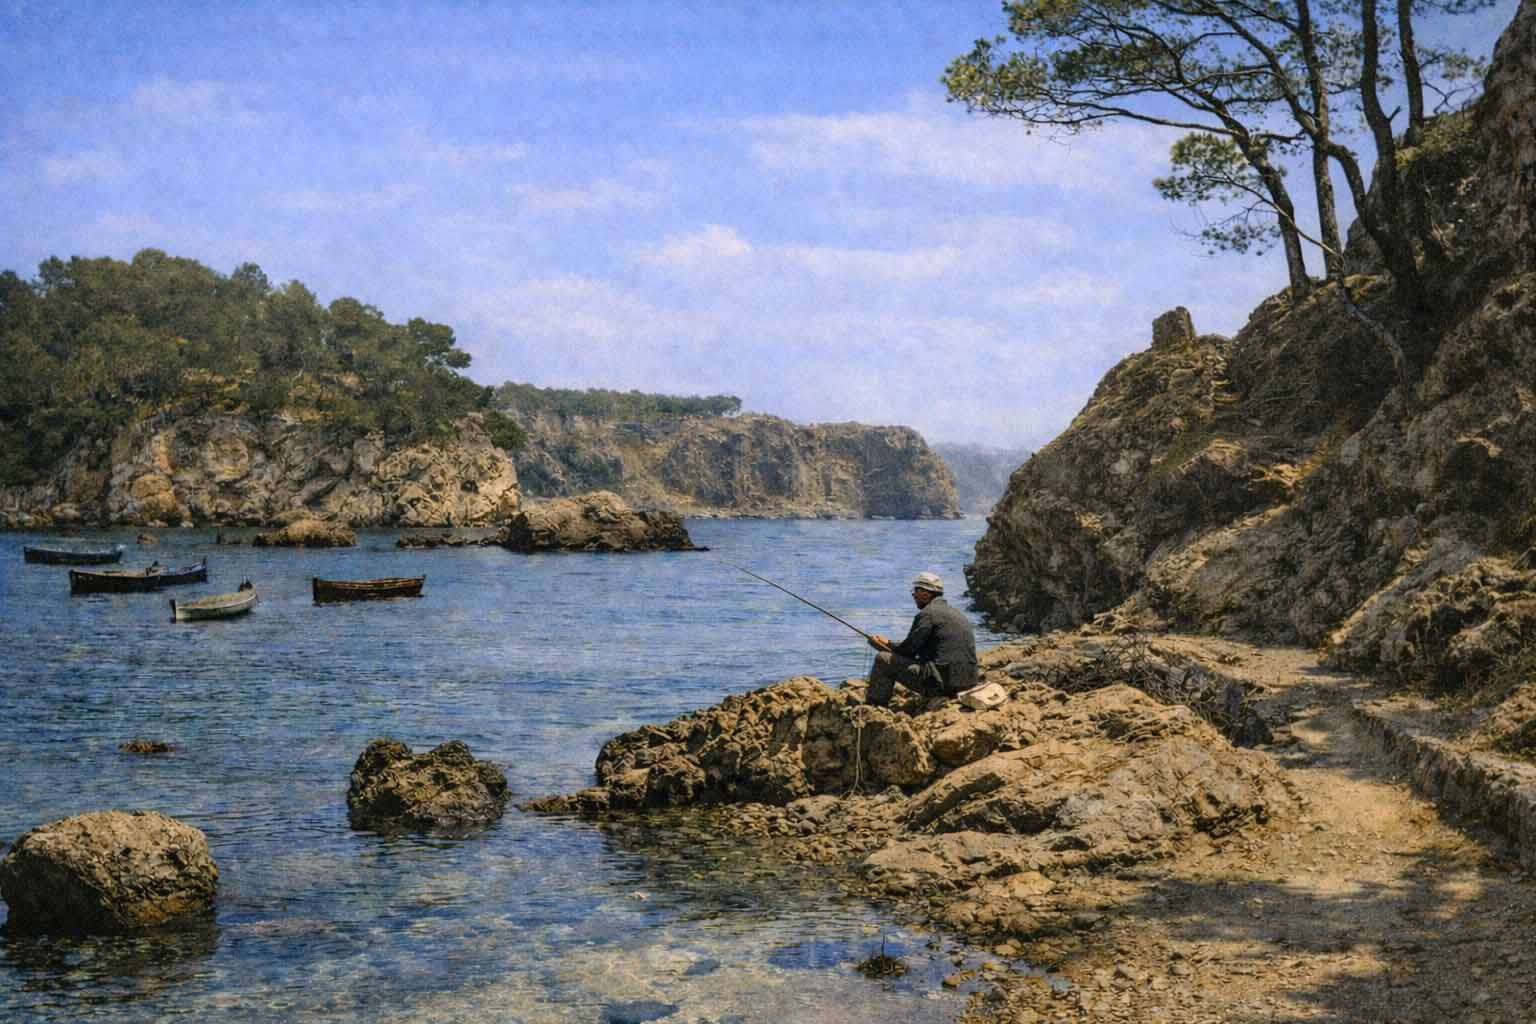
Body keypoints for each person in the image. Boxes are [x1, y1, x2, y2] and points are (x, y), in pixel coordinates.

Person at [865, 571, 977, 708]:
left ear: (926, 594)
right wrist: (889, 644)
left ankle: (874, 706)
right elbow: (917, 647)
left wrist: (884, 644)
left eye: (915, 591)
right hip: (968, 682)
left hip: (943, 685)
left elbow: (908, 651)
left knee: (883, 659)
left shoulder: (927, 614)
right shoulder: (956, 613)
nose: (913, 595)